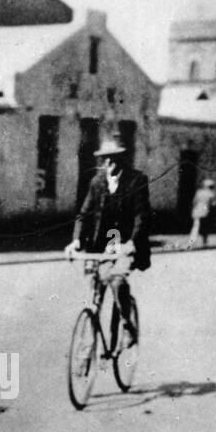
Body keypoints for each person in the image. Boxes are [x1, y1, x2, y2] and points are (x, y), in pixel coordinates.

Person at [66, 132, 151, 350]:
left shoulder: (136, 180)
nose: (108, 163)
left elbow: (142, 217)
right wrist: (76, 241)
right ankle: (87, 349)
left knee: (117, 280)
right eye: (105, 159)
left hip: (126, 246)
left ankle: (127, 325)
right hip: (100, 248)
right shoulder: (97, 182)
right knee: (95, 291)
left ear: (122, 158)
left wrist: (132, 243)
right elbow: (83, 214)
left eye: (113, 158)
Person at [188, 178, 216, 248]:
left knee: (195, 227)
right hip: (205, 212)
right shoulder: (211, 193)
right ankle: (204, 241)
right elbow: (213, 204)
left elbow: (194, 202)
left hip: (197, 211)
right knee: (205, 227)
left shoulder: (199, 192)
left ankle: (191, 242)